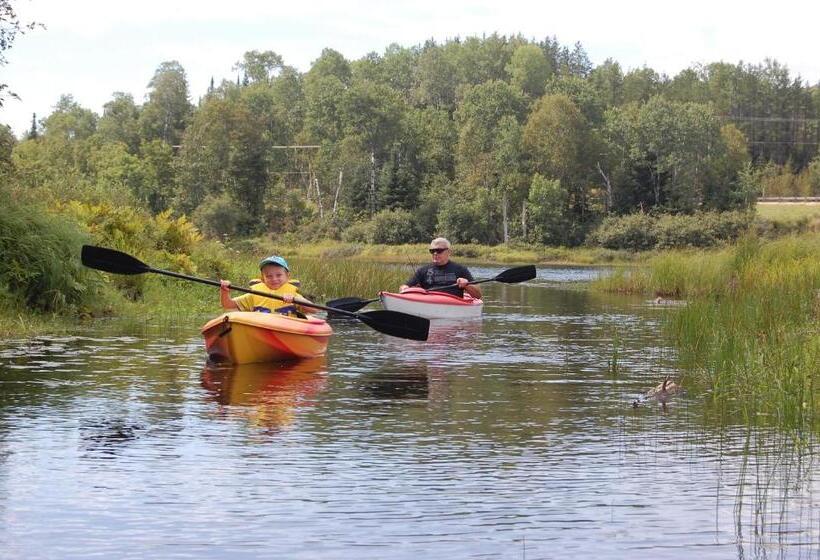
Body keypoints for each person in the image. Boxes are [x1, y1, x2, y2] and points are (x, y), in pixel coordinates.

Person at [220, 256, 312, 316]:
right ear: (263, 278)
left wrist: (296, 299)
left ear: (287, 276)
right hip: (261, 329)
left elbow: (314, 309)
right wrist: (225, 291)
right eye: (269, 276)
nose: (274, 279)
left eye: (279, 275)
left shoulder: (293, 295)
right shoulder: (254, 294)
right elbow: (228, 305)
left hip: (286, 331)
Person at [400, 237, 482, 299]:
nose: (435, 253)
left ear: (449, 252)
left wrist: (467, 285)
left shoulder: (460, 269)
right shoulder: (422, 271)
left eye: (439, 251)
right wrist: (404, 288)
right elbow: (405, 286)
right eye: (432, 251)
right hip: (429, 303)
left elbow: (478, 295)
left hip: (453, 304)